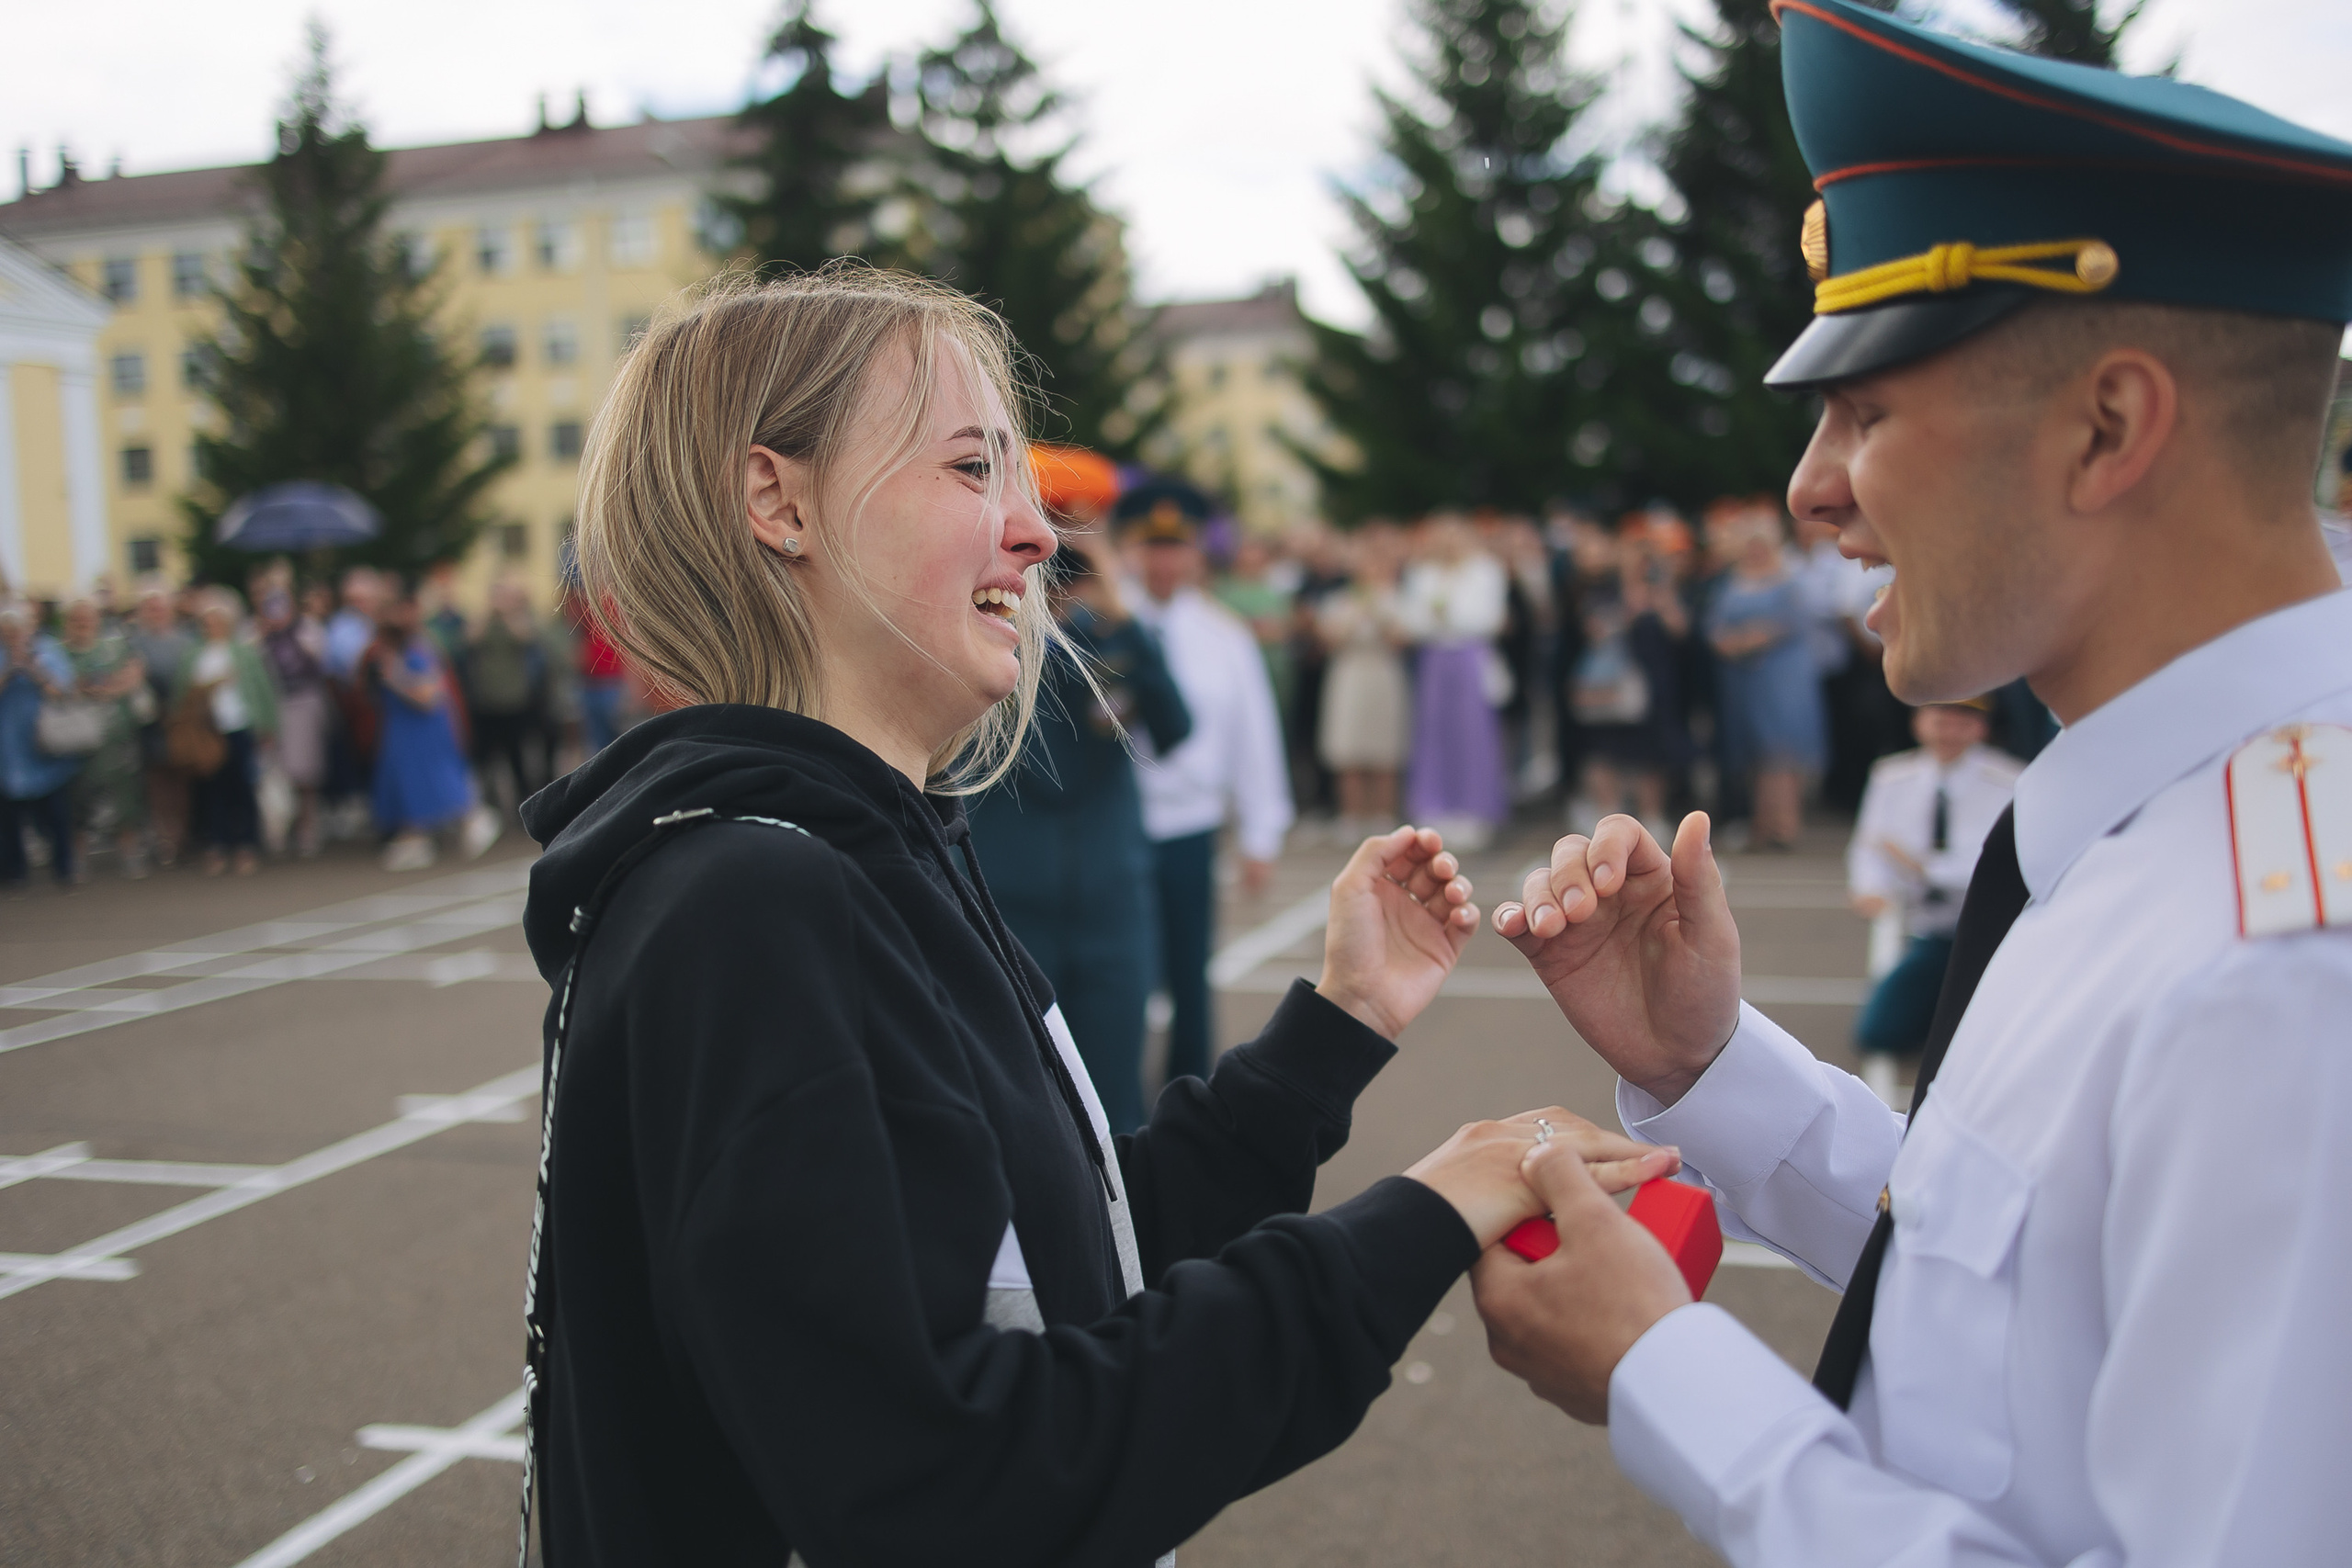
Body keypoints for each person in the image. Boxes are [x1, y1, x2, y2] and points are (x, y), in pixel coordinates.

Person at [517, 268, 1680, 1566]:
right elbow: (940, 1480)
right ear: (776, 500)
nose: (1034, 534)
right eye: (971, 468)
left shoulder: (862, 855)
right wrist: (1426, 1211)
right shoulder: (750, 901)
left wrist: (1333, 1036)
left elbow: (1061, 1252)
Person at [1472, 5, 2352, 1562]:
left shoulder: (2289, 965)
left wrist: (1672, 1379)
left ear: (2108, 428)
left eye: (1866, 410)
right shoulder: (2162, 821)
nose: (1812, 488)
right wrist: (1708, 1063)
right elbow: (2023, 1268)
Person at [969, 534, 1193, 1134]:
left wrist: (1121, 618)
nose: (1062, 591)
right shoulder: (987, 647)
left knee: (1115, 1102)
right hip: (1010, 909)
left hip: (1110, 906)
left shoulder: (1117, 642)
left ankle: (1122, 1229)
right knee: (1017, 1100)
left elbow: (1175, 726)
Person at [1119, 480, 1295, 1090]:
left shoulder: (1226, 636)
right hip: (1116, 823)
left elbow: (1255, 739)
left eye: (1177, 548)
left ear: (1197, 554)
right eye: (1150, 547)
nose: (1164, 562)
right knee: (1118, 973)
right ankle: (1111, 1101)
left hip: (1189, 824)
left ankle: (1185, 1098)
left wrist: (1261, 831)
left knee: (1189, 974)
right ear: (1129, 550)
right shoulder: (1102, 627)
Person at [1846, 696, 2019, 1106]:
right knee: (1878, 1031)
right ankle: (1943, 1009)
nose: (1949, 729)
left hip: (1985, 933)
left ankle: (1951, 1011)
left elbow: (1989, 865)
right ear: (1919, 722)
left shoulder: (2010, 781)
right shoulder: (1892, 777)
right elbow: (1869, 846)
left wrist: (1918, 866)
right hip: (1927, 928)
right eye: (1939, 718)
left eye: (1963, 720)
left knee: (1991, 1041)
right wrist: (1870, 886)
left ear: (1981, 728)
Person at [1705, 502, 1826, 850]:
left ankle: (1785, 825)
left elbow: (1795, 622)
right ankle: (1762, 823)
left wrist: (1748, 639)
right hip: (1744, 679)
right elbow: (1714, 622)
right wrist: (1724, 641)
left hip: (1781, 676)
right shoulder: (1734, 578)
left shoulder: (1790, 576)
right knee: (1755, 752)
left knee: (1782, 750)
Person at [1397, 513, 1510, 849]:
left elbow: (1489, 617)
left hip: (1468, 655)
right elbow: (1412, 618)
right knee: (1435, 730)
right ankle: (1434, 805)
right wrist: (1430, 618)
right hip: (1435, 656)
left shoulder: (1485, 570)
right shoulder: (1423, 573)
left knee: (1470, 731)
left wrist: (1451, 613)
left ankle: (1474, 808)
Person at [366, 589, 496, 872]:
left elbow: (429, 696)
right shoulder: (393, 652)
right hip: (402, 729)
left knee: (435, 779)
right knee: (405, 783)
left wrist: (395, 678)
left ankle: (473, 819)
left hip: (424, 729)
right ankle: (415, 836)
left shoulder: (418, 649)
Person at [1315, 525, 1412, 838]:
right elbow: (1329, 641)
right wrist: (1356, 613)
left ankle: (1383, 815)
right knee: (1349, 748)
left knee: (1384, 748)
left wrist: (1381, 611)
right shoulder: (1341, 599)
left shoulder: (1398, 598)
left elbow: (1402, 641)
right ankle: (1351, 816)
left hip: (1383, 673)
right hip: (1350, 674)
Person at [175, 589, 277, 877]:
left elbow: (263, 688)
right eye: (208, 619)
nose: (212, 624)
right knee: (213, 790)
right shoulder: (194, 653)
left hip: (239, 725)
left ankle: (247, 844)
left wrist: (268, 724)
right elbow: (183, 693)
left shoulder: (243, 651)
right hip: (208, 732)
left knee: (242, 786)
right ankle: (217, 844)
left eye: (217, 618)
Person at [58, 596, 152, 878]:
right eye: (77, 619)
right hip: (77, 737)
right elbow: (60, 684)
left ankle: (129, 851)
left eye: (88, 618)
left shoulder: (113, 647)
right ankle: (77, 856)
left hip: (116, 736)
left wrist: (105, 689)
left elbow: (134, 674)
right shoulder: (60, 652)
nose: (83, 623)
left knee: (125, 794)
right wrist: (90, 687)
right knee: (79, 797)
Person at [0, 603, 82, 890]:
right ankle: (15, 871)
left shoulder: (48, 650)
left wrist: (34, 671)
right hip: (8, 748)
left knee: (56, 812)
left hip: (45, 742)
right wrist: (10, 669)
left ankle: (64, 868)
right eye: (6, 632)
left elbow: (63, 691)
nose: (11, 637)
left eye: (16, 631)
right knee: (9, 815)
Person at [465, 579, 551, 818]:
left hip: (515, 700)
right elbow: (470, 638)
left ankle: (522, 806)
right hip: (486, 701)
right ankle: (491, 806)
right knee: (487, 758)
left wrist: (508, 613)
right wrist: (488, 611)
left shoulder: (519, 618)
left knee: (518, 757)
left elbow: (526, 637)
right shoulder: (483, 620)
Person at [258, 586, 331, 857]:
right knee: (276, 772)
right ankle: (281, 829)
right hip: (275, 703)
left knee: (305, 770)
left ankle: (307, 827)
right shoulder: (261, 637)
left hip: (303, 702)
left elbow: (320, 661)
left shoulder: (306, 630)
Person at [123, 584, 191, 865]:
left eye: (160, 606)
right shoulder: (134, 643)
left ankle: (182, 835)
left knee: (181, 780)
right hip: (151, 721)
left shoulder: (186, 641)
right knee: (156, 781)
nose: (156, 612)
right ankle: (164, 838)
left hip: (181, 720)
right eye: (150, 607)